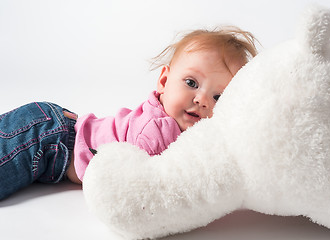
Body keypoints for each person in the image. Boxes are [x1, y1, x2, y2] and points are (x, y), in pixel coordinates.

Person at [0, 26, 258, 200]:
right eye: (191, 83)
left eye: (218, 96)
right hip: (51, 139)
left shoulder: (193, 131)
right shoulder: (156, 131)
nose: (202, 100)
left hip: (56, 130)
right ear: (164, 81)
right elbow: (147, 185)